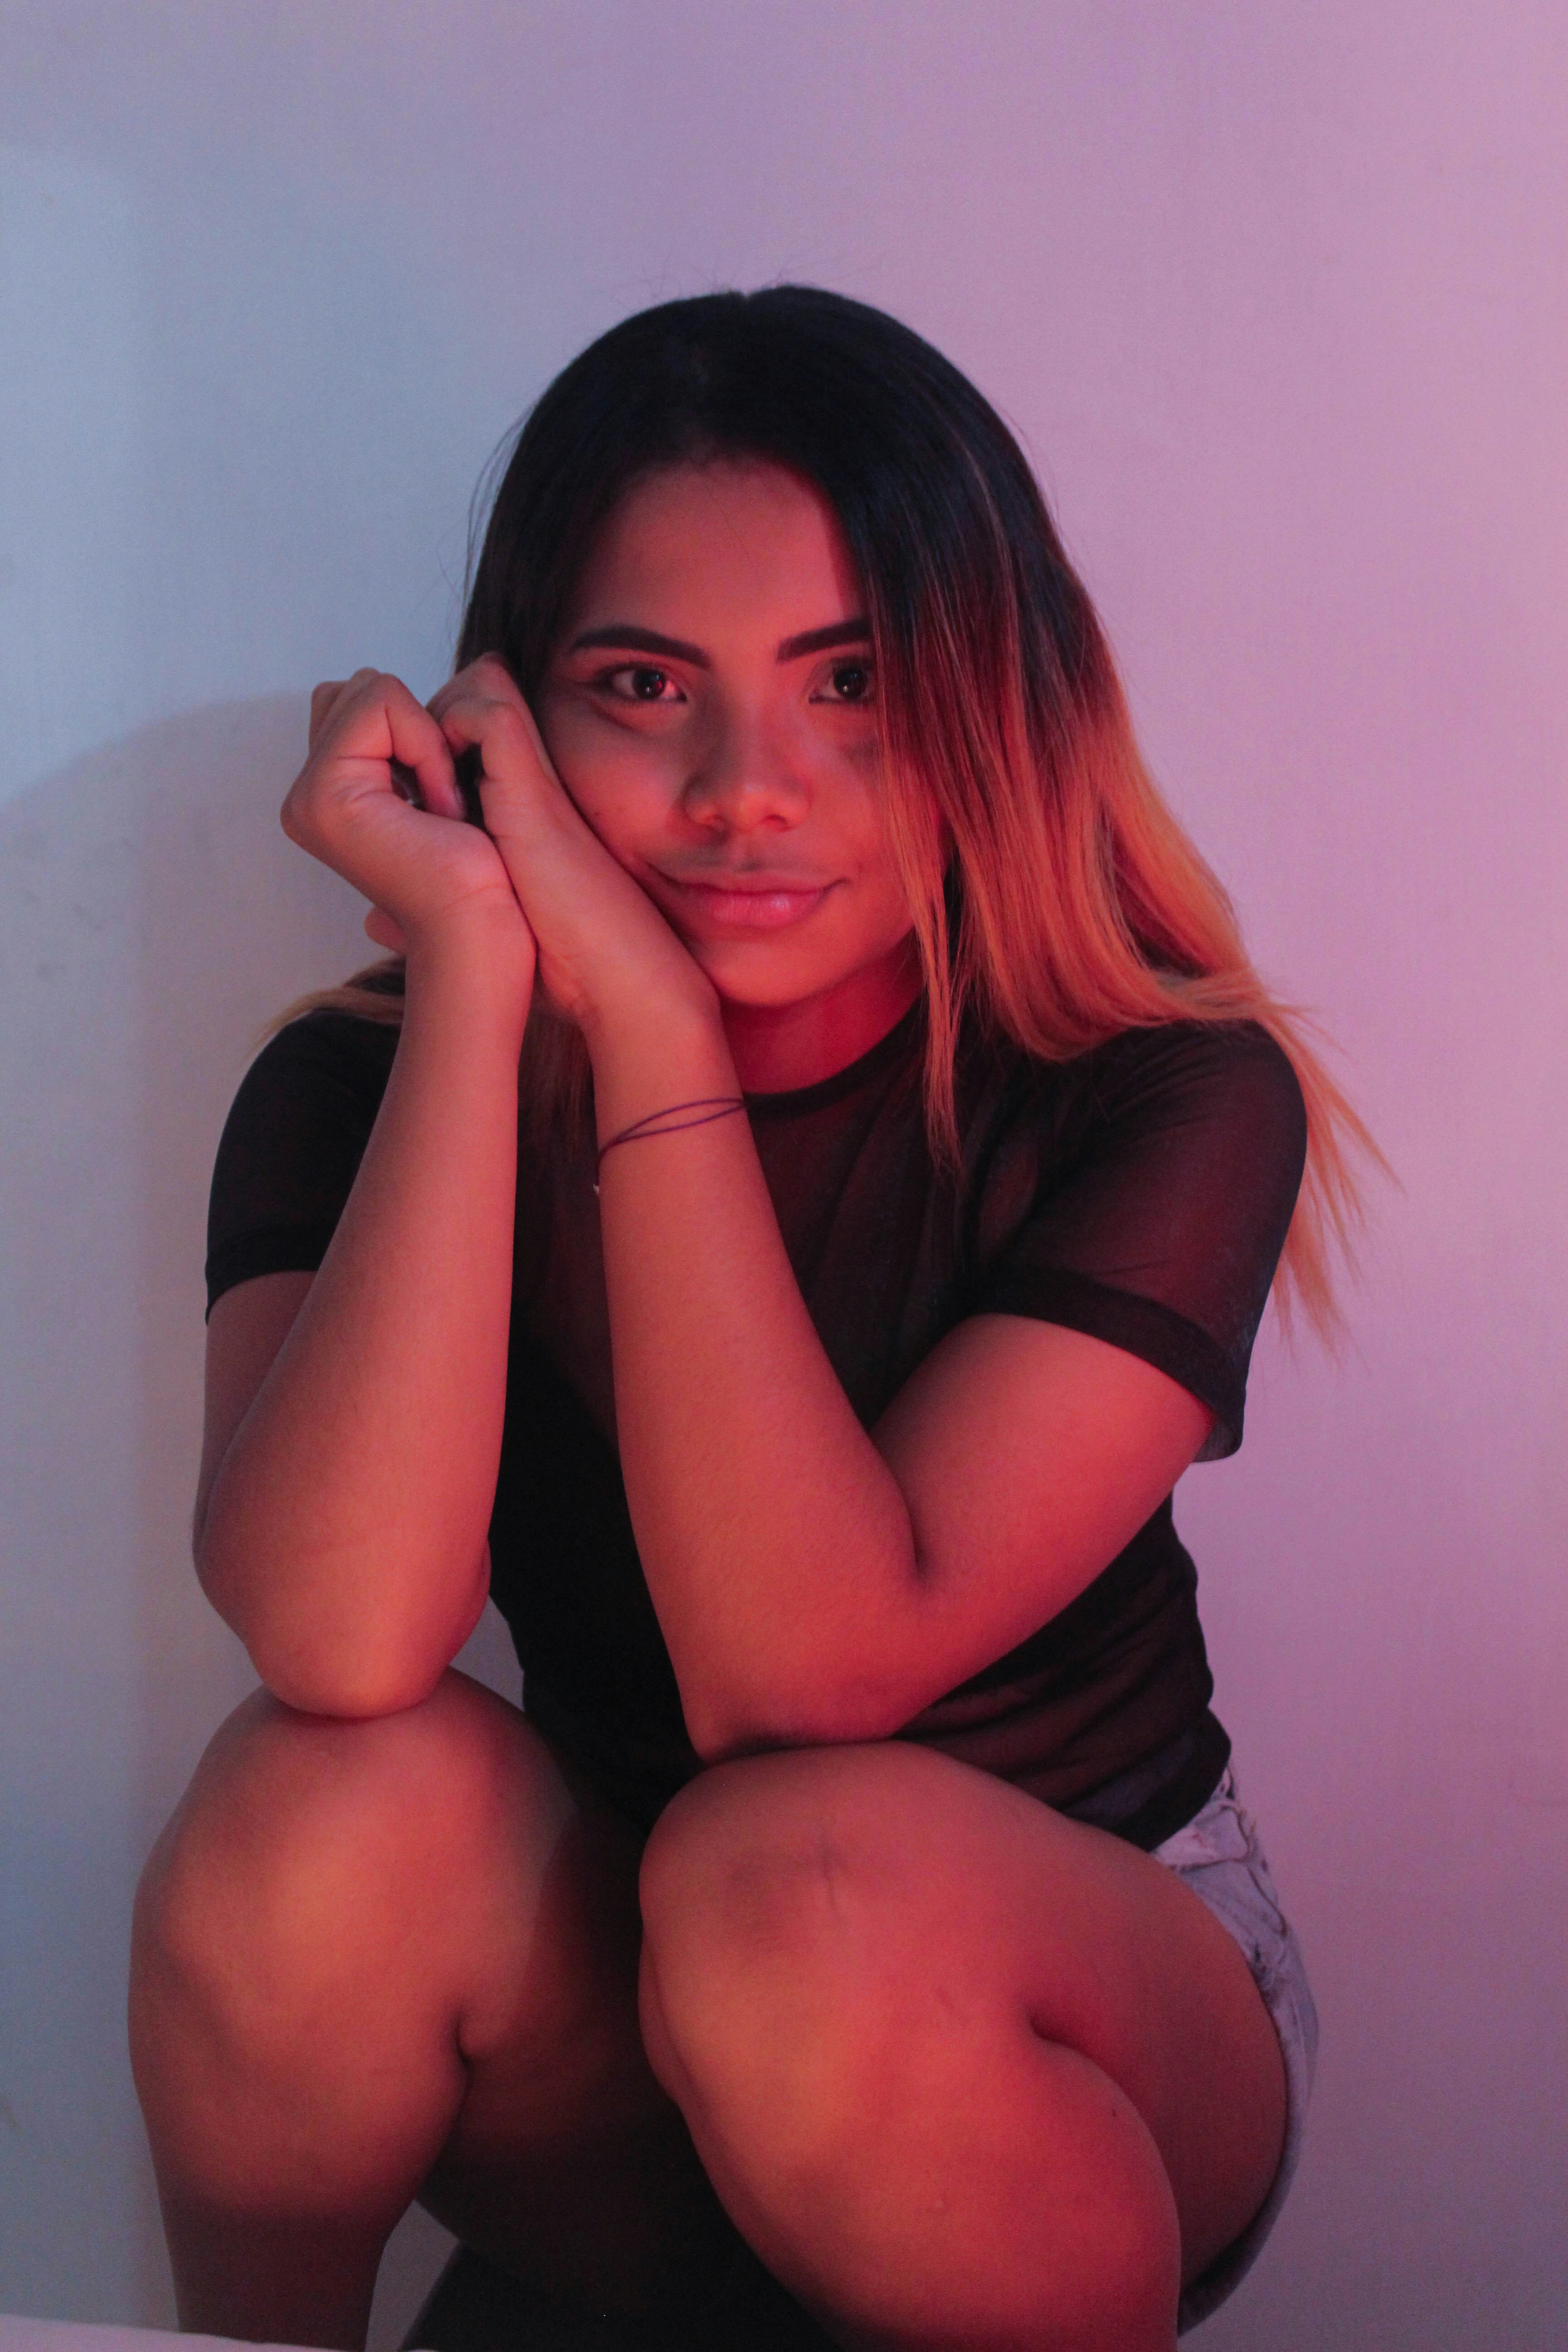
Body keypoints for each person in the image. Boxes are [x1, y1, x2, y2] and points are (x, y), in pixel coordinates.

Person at [129, 286, 1367, 2352]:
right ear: (510, 718)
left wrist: (650, 1025)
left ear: (999, 695)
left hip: (1075, 2008)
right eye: (642, 685)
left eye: (853, 680)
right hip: (629, 1985)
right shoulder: (355, 1082)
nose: (743, 791)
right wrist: (480, 982)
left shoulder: (1155, 1087)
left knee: (798, 1889)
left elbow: (802, 1681)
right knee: (307, 1812)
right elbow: (337, 1639)